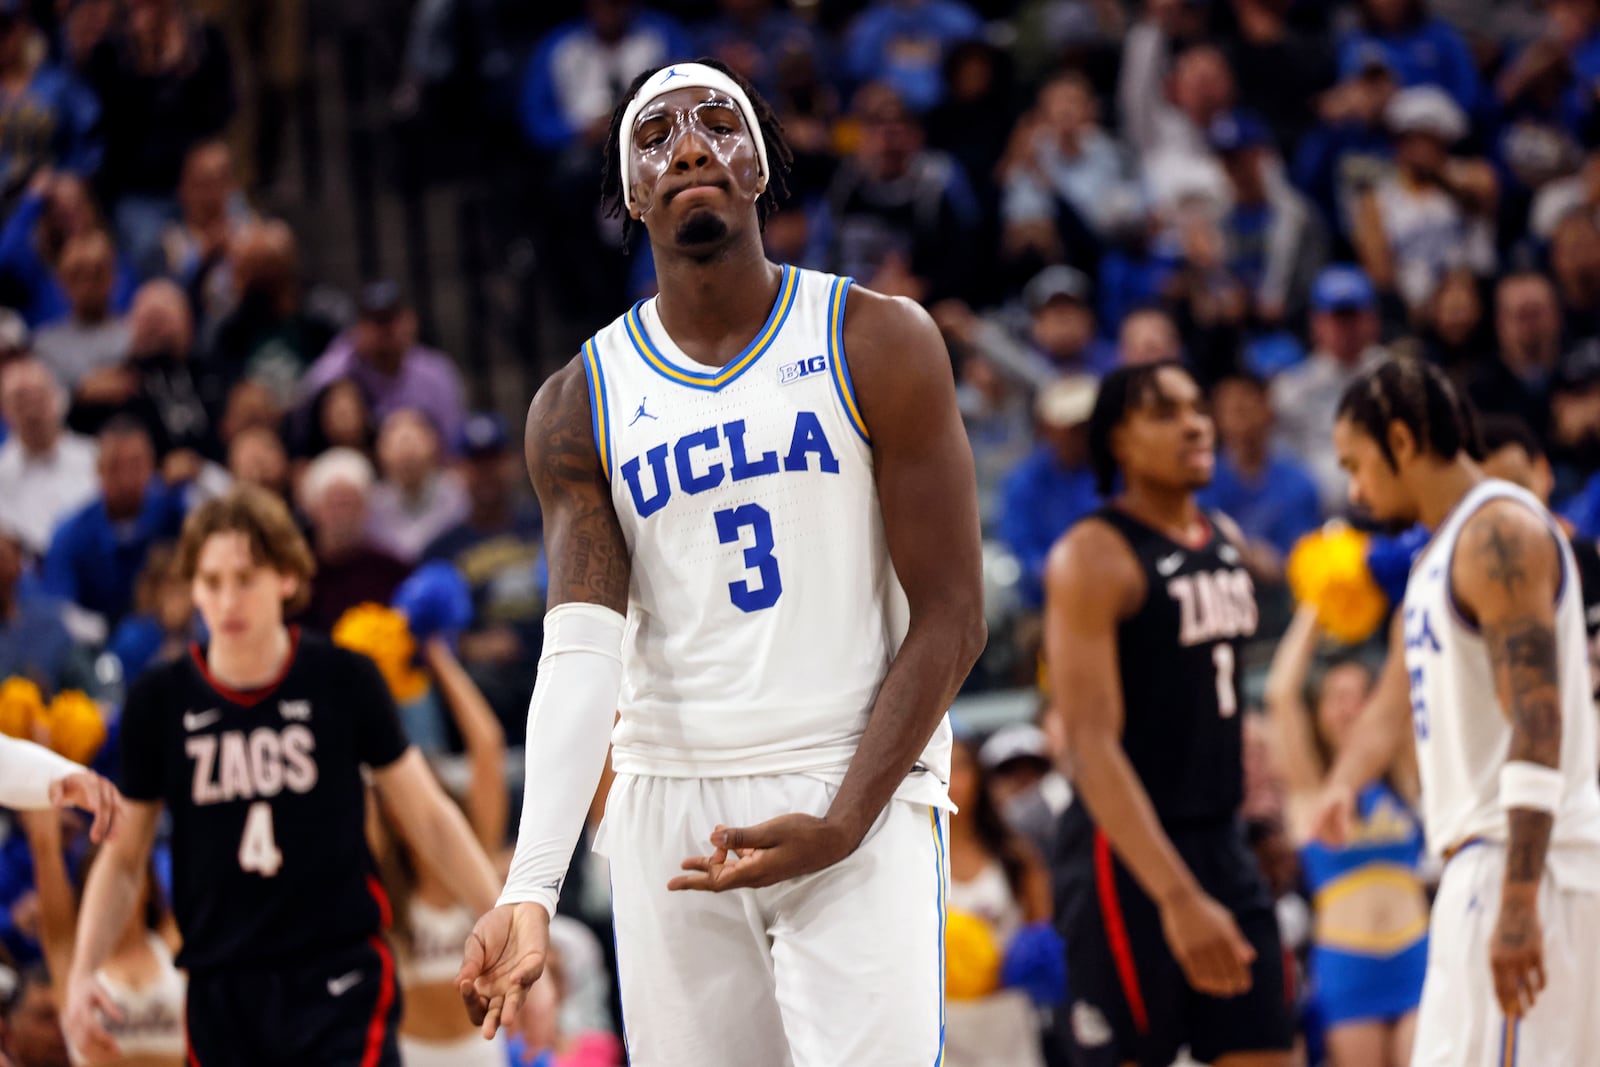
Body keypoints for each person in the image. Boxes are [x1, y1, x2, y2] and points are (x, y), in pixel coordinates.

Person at [459, 59, 987, 1063]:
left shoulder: (875, 337)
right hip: (671, 809)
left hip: (852, 776)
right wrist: (530, 885)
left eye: (716, 124)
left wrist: (842, 821)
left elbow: (956, 615)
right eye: (654, 135)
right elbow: (578, 654)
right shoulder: (579, 401)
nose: (690, 144)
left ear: (758, 170)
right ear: (630, 194)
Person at [62, 486, 501, 1067]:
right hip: (221, 984)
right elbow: (123, 860)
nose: (227, 601)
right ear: (192, 586)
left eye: (245, 578)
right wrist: (81, 971)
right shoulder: (158, 702)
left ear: (288, 578)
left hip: (336, 971)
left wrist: (501, 915)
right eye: (211, 582)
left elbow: (428, 817)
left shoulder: (343, 679)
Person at [1314, 357, 1600, 1063]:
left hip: (1525, 863)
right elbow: (1393, 694)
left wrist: (1518, 899)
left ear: (1404, 441)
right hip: (1482, 864)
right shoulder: (1436, 554)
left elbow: (1540, 720)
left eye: (1358, 463)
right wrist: (1345, 778)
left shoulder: (1497, 534)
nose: (1354, 488)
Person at [1043, 360, 1294, 1067]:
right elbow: (1089, 747)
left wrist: (1258, 822)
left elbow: (1212, 702)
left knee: (1271, 1047)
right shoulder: (1092, 556)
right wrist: (1179, 897)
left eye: (1196, 406)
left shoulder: (1224, 537)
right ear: (1118, 441)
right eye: (1164, 412)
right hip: (1125, 853)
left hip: (1221, 837)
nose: (1194, 423)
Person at [1263, 606, 1426, 1067]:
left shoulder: (1400, 771)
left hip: (1415, 954)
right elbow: (1279, 693)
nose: (1348, 706)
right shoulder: (1308, 787)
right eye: (1335, 696)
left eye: (1360, 695)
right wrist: (1319, 605)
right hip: (1347, 964)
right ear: (1318, 712)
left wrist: (1394, 602)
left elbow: (1410, 680)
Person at [374, 636, 508, 1067]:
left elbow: (486, 743)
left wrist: (437, 656)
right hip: (411, 1053)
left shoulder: (477, 859)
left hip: (483, 1051)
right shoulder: (386, 878)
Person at [20, 807, 183, 1067]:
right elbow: (45, 847)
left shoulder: (171, 945)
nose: (113, 893)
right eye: (101, 883)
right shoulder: (73, 959)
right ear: (88, 895)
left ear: (149, 887)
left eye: (123, 877)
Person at [944, 737, 1051, 1067]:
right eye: (941, 764)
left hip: (1008, 1012)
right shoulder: (910, 859)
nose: (951, 777)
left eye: (960, 765)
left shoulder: (1014, 855)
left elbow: (1042, 930)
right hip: (944, 1015)